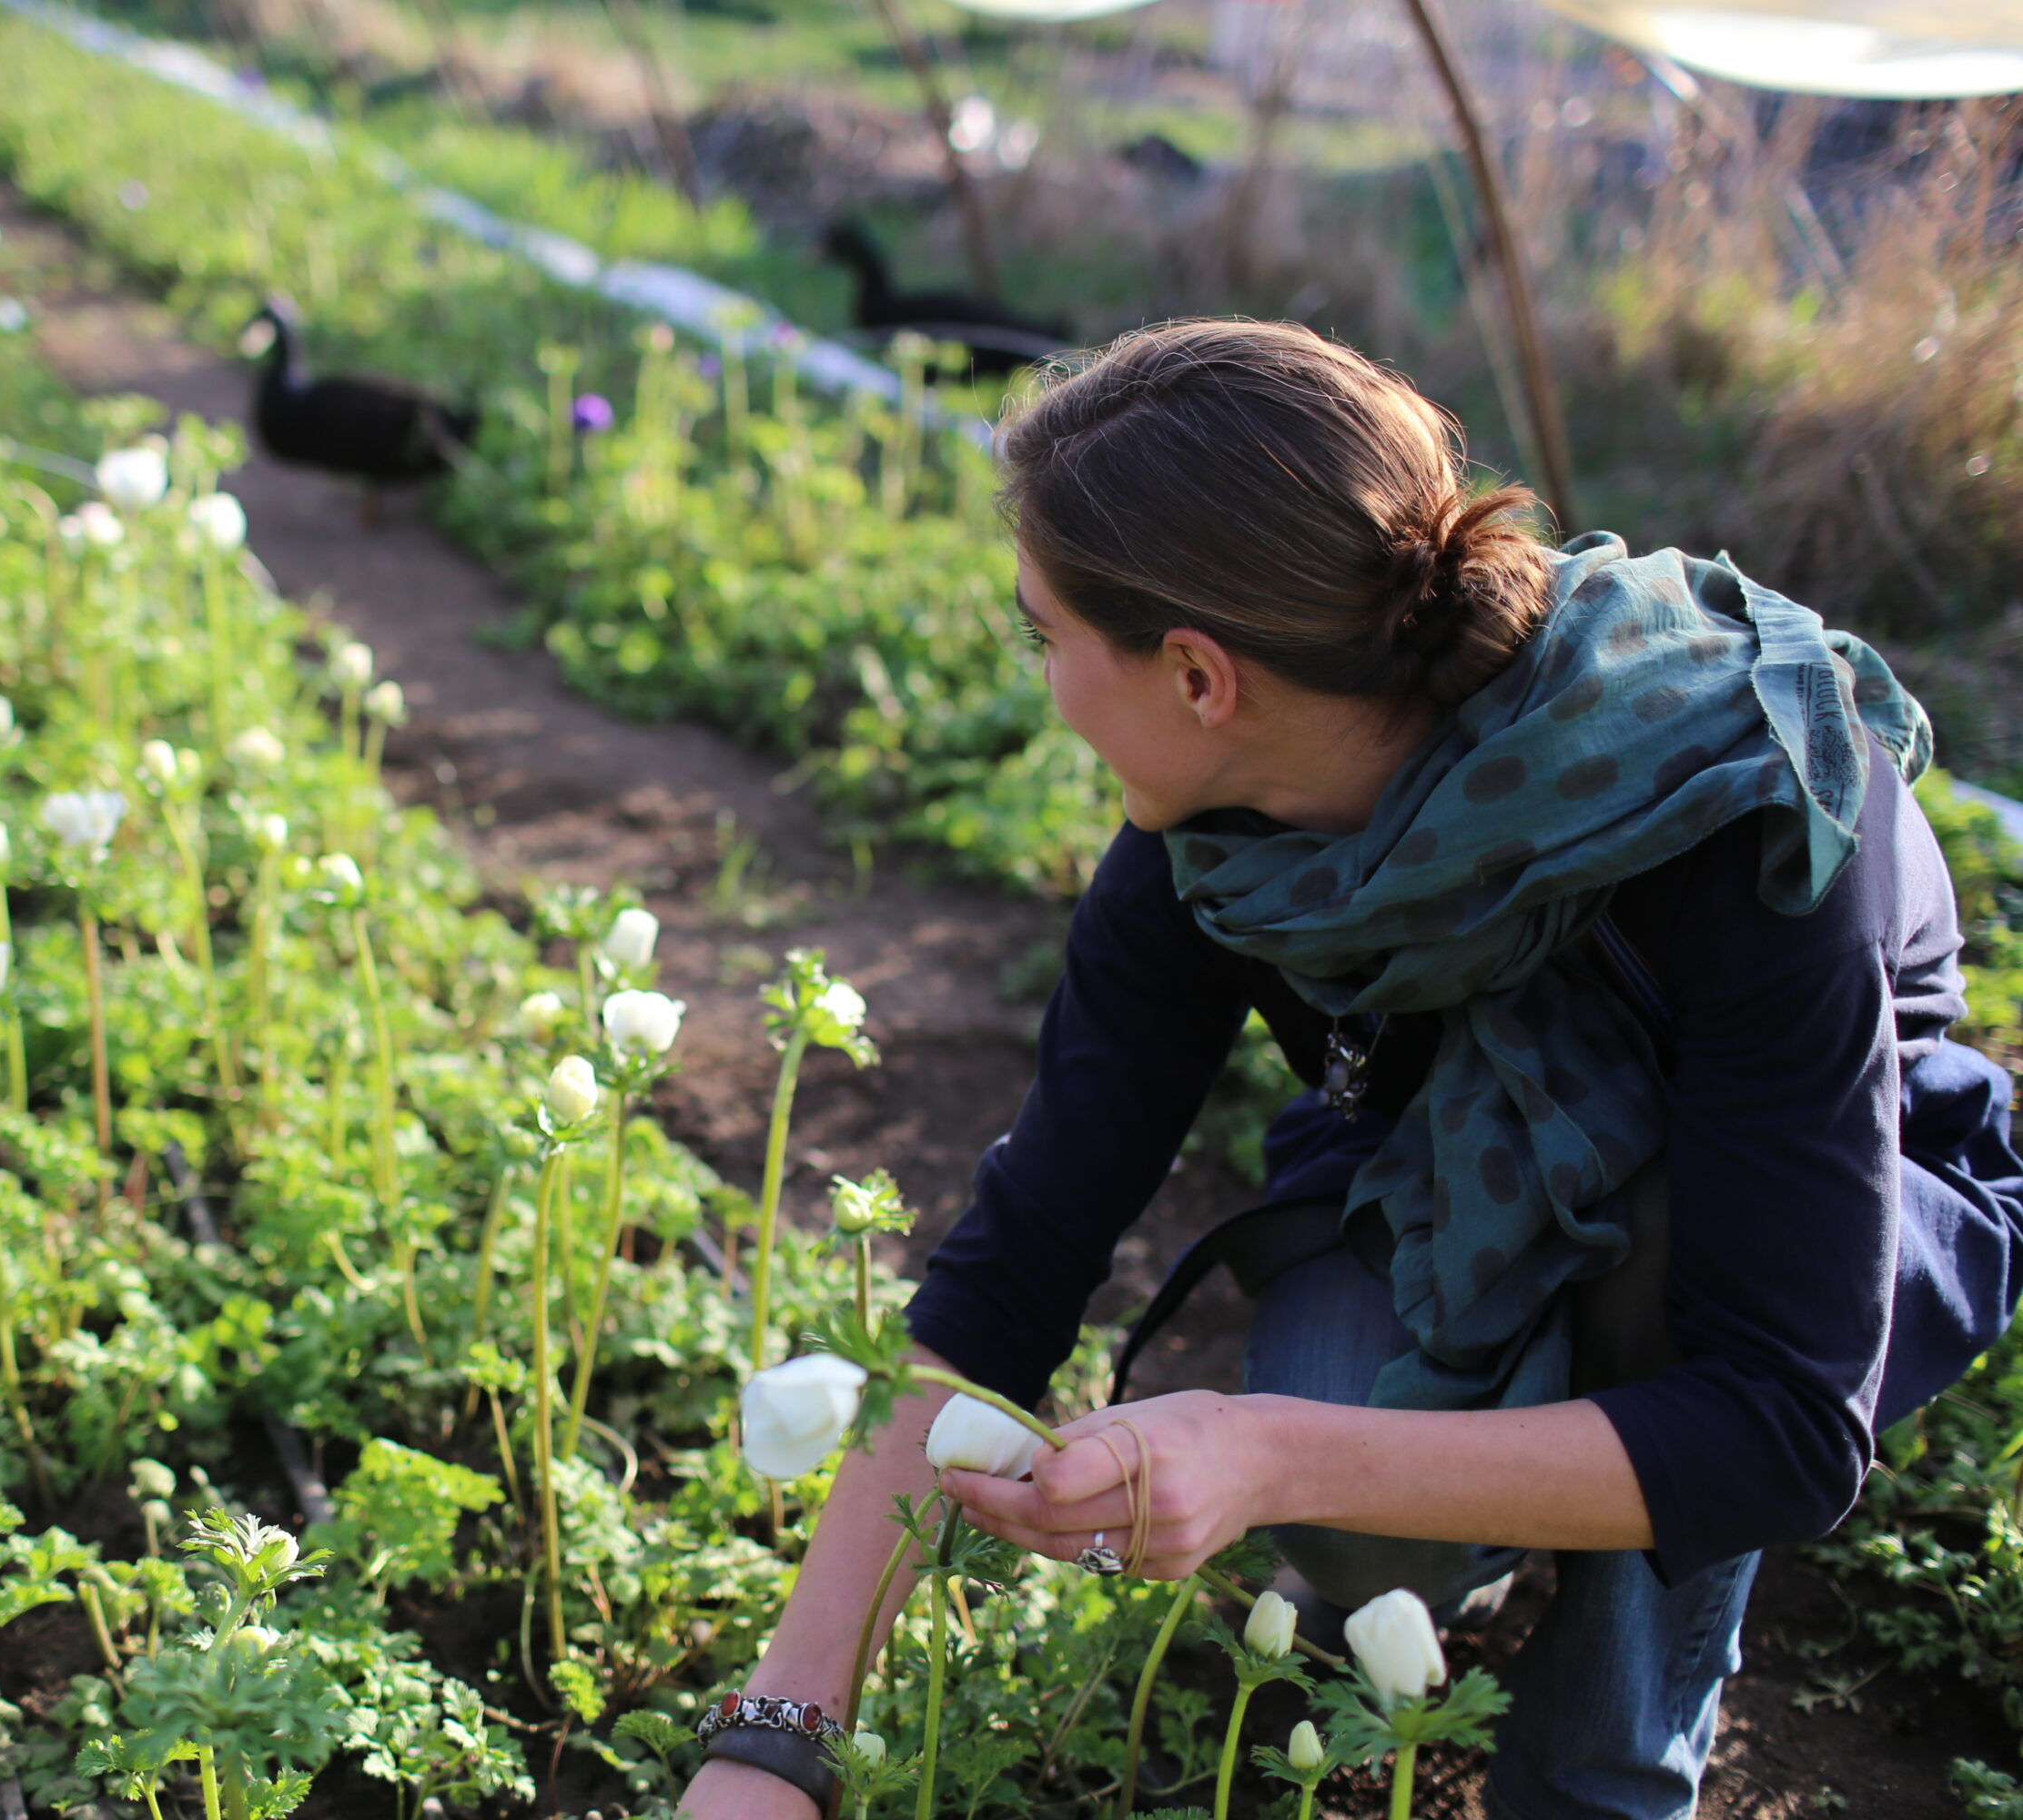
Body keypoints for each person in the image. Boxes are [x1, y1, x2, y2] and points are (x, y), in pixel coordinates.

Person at [682, 320, 2023, 1820]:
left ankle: (1605, 1776)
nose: (1044, 681)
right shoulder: (1222, 850)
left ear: (1197, 675)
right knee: (1367, 1539)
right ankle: (1478, 1504)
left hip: (1813, 1222)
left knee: (1645, 1269)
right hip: (1418, 1169)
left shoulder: (1739, 818)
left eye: (1042, 634)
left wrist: (1263, 1452)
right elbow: (1015, 1266)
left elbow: (1784, 1422)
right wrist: (777, 1741)